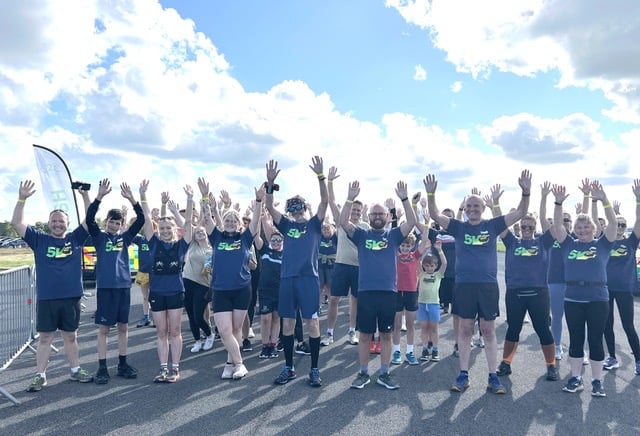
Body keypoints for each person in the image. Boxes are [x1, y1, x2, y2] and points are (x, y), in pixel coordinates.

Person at [424, 170, 532, 394]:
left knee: (488, 330)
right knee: (464, 329)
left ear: (483, 209)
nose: (473, 210)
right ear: (466, 210)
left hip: (487, 286)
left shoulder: (493, 225)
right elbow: (434, 214)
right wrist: (431, 194)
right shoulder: (459, 227)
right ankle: (463, 374)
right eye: (470, 207)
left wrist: (525, 191)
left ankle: (493, 376)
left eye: (477, 207)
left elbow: (521, 212)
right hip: (464, 286)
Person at [12, 180, 94, 392]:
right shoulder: (39, 240)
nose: (58, 224)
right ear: (49, 223)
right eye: (54, 221)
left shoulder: (76, 238)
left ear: (67, 224)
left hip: (71, 297)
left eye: (61, 221)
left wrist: (85, 197)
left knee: (70, 336)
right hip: (47, 298)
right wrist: (22, 199)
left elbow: (90, 220)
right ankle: (40, 375)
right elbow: (16, 223)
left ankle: (75, 370)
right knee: (46, 337)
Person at [342, 180, 417, 390]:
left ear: (388, 217)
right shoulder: (361, 235)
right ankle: (363, 373)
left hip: (388, 293)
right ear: (368, 217)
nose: (377, 216)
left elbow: (411, 222)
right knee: (365, 335)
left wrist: (404, 199)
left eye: (381, 214)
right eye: (374, 214)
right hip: (365, 292)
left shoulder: (393, 235)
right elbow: (343, 221)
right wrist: (349, 198)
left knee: (386, 335)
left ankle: (384, 373)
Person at [265, 157, 328, 388]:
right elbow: (270, 207)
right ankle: (289, 367)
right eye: (292, 206)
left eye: (299, 205)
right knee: (288, 325)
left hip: (309, 279)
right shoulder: (287, 226)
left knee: (312, 323)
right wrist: (270, 183)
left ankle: (314, 369)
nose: (296, 209)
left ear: (304, 207)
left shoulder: (313, 224)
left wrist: (321, 177)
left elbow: (324, 201)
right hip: (288, 279)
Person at [550, 181, 616, 397]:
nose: (583, 230)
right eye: (579, 227)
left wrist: (604, 199)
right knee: (576, 339)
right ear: (574, 230)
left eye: (587, 227)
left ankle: (597, 381)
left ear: (594, 229)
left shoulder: (603, 245)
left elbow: (614, 224)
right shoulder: (569, 244)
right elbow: (558, 226)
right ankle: (576, 377)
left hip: (598, 298)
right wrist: (558, 203)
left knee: (596, 340)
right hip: (574, 299)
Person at [488, 183, 558, 382]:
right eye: (523, 227)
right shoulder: (512, 242)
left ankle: (551, 366)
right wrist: (495, 203)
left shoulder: (543, 242)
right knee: (513, 329)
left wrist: (549, 199)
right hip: (516, 293)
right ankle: (506, 363)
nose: (526, 229)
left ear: (535, 228)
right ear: (518, 228)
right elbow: (499, 224)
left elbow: (554, 224)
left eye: (530, 227)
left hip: (539, 293)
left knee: (543, 329)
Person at [198, 179, 264, 380]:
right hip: (220, 290)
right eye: (227, 221)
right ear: (224, 223)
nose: (230, 223)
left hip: (242, 289)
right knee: (225, 330)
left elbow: (255, 221)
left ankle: (229, 364)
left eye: (234, 221)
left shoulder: (244, 238)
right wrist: (205, 197)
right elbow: (207, 219)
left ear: (238, 224)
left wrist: (259, 201)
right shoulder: (217, 237)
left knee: (236, 329)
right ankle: (240, 363)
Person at [85, 179, 145, 384]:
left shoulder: (125, 238)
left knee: (123, 328)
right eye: (111, 221)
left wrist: (132, 199)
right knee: (104, 329)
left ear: (121, 225)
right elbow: (89, 218)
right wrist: (99, 197)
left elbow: (141, 220)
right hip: (106, 288)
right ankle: (102, 367)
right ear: (106, 222)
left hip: (123, 288)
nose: (114, 225)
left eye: (118, 223)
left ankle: (122, 363)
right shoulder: (99, 237)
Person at [140, 181, 192, 383]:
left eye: (168, 227)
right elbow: (146, 219)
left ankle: (175, 368)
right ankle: (163, 368)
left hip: (176, 292)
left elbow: (187, 225)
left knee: (175, 331)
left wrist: (188, 199)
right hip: (157, 294)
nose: (164, 230)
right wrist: (143, 196)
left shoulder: (181, 246)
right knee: (161, 331)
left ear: (173, 229)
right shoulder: (153, 244)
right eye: (161, 228)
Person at [322, 166, 368, 347]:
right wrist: (330, 181)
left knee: (355, 300)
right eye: (353, 210)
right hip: (341, 265)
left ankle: (351, 331)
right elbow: (332, 201)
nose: (355, 213)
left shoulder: (365, 227)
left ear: (361, 212)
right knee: (334, 299)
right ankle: (330, 333)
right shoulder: (341, 222)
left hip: (358, 268)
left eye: (358, 210)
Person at [602, 179, 640, 375]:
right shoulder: (605, 243)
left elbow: (639, 222)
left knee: (627, 325)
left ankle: (639, 359)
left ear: (626, 227)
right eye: (617, 224)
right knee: (606, 325)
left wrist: (638, 201)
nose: (619, 227)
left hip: (624, 290)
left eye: (623, 224)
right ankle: (612, 357)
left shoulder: (631, 243)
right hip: (606, 289)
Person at [391, 231, 428, 365]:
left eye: (408, 246)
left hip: (411, 293)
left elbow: (424, 241)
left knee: (410, 324)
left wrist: (425, 223)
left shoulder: (415, 256)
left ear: (412, 246)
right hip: (396, 292)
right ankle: (396, 352)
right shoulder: (395, 254)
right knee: (397, 325)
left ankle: (410, 352)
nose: (405, 248)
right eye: (403, 245)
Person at [183, 224, 215, 353]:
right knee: (190, 315)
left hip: (203, 285)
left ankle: (209, 334)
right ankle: (197, 340)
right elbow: (186, 224)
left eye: (202, 230)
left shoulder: (212, 249)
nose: (200, 233)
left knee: (198, 316)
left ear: (206, 233)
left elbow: (213, 269)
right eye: (197, 232)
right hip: (187, 282)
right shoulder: (192, 245)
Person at [255, 224, 284, 359]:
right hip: (265, 290)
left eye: (279, 240)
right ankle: (265, 345)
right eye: (273, 240)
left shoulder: (286, 254)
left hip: (280, 290)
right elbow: (255, 236)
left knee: (276, 318)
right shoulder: (265, 251)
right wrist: (257, 217)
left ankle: (273, 345)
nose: (276, 242)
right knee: (266, 318)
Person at [417, 240, 447, 362]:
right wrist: (425, 249)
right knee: (424, 327)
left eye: (432, 266)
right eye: (427, 265)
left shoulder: (438, 275)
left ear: (435, 266)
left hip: (434, 304)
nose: (429, 268)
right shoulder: (421, 274)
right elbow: (417, 260)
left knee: (433, 328)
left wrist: (439, 250)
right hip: (422, 304)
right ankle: (425, 349)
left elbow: (444, 263)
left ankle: (435, 349)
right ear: (424, 266)